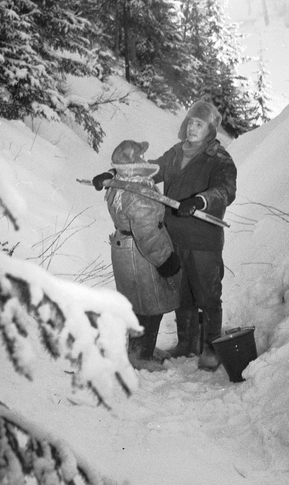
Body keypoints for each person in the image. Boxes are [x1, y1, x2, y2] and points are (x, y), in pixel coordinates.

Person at [93, 101, 236, 372]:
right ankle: (187, 343)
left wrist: (201, 201)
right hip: (172, 237)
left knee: (208, 294)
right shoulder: (175, 153)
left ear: (210, 129)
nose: (193, 128)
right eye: (191, 122)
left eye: (200, 124)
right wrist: (112, 174)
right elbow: (148, 168)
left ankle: (210, 349)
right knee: (181, 294)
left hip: (203, 240)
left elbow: (226, 190)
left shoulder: (219, 158)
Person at [102, 140, 182, 372]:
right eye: (141, 157)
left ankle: (140, 348)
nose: (145, 161)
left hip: (124, 248)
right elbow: (148, 234)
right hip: (139, 255)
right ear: (133, 164)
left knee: (138, 304)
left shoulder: (120, 184)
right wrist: (165, 260)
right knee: (150, 305)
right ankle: (140, 356)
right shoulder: (138, 194)